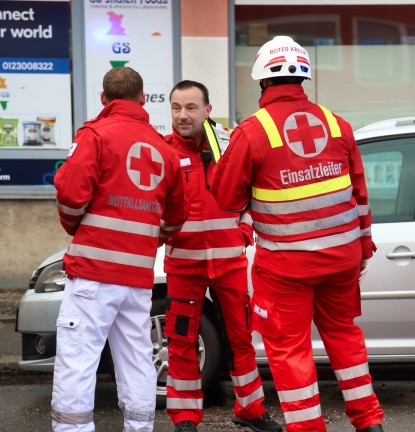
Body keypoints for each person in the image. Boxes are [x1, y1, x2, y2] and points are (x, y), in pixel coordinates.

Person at [212, 35, 385, 432]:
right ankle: (369, 422)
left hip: (286, 267)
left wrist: (223, 160)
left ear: (262, 81)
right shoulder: (336, 124)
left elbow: (226, 198)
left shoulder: (252, 132)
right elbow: (360, 193)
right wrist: (363, 247)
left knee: (290, 351)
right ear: (303, 76)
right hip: (342, 259)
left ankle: (308, 428)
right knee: (344, 338)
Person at [51, 66, 188, 432]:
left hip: (94, 273)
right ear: (143, 98)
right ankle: (140, 428)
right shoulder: (164, 149)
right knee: (137, 359)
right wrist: (147, 240)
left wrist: (75, 227)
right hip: (138, 277)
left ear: (103, 99)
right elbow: (176, 217)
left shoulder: (95, 135)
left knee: (79, 359)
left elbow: (70, 195)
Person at [163, 80, 281, 432]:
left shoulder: (230, 144)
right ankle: (185, 417)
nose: (182, 115)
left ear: (208, 110)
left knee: (241, 338)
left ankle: (251, 409)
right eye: (176, 108)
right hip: (184, 264)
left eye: (191, 108)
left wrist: (243, 230)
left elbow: (254, 193)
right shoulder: (163, 150)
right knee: (183, 339)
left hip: (229, 261)